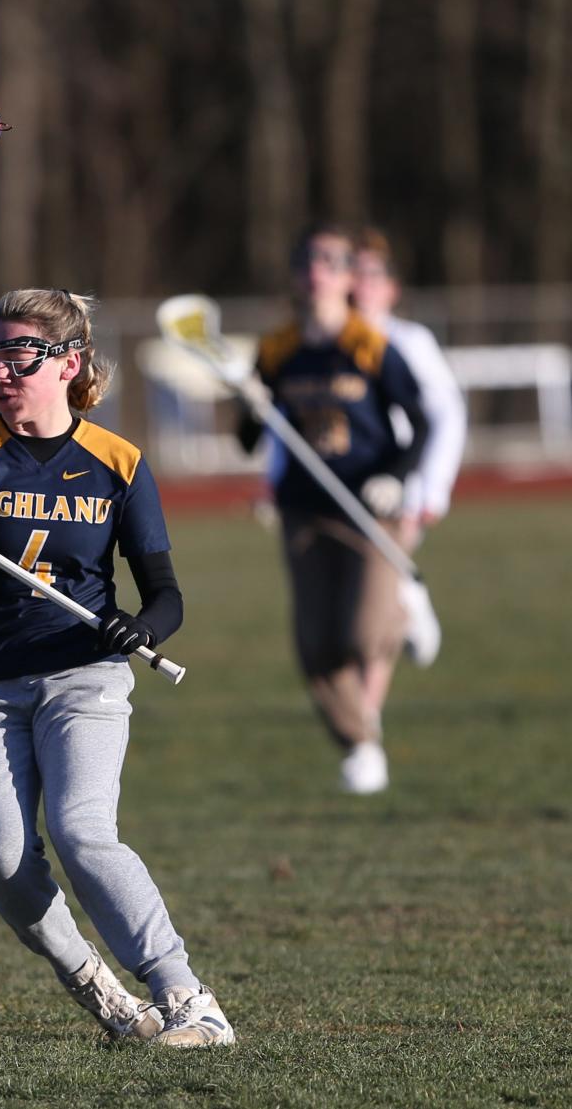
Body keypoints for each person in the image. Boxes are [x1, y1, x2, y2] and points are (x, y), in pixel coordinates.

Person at [0, 288, 234, 1047]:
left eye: (19, 354)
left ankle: (186, 995)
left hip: (85, 676)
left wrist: (138, 627)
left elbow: (166, 596)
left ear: (68, 362)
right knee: (5, 862)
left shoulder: (118, 461)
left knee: (83, 832)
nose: (1, 370)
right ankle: (101, 991)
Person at [237, 223, 429, 794]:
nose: (315, 267)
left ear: (349, 276)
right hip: (305, 511)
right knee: (316, 645)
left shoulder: (369, 344)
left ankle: (403, 608)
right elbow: (248, 439)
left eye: (330, 259)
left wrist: (396, 478)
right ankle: (361, 742)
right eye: (308, 259)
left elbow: (419, 423)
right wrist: (249, 402)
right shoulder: (278, 349)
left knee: (364, 632)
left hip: (369, 509)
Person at [352, 226, 466, 693]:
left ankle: (367, 716)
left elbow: (446, 416)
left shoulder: (410, 341)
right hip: (342, 487)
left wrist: (431, 488)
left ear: (392, 289)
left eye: (374, 276)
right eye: (355, 274)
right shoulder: (329, 341)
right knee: (361, 601)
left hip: (398, 490)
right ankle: (409, 593)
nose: (363, 285)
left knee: (372, 605)